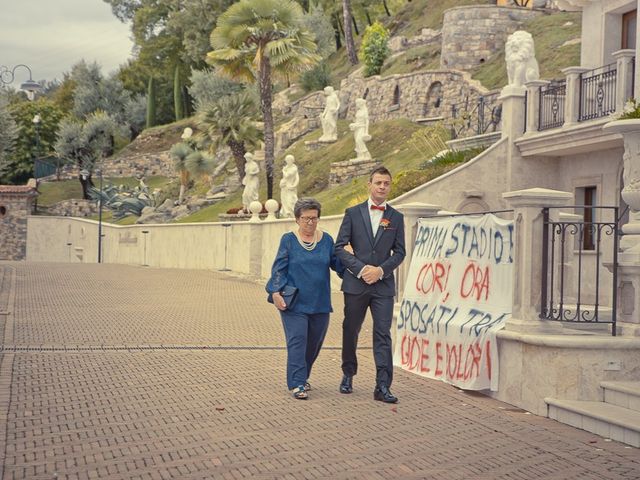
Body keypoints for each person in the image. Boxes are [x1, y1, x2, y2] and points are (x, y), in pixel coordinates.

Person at [334, 166, 405, 403]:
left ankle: (382, 386)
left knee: (382, 333)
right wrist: (362, 269)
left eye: (386, 183)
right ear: (370, 184)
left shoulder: (396, 217)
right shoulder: (352, 213)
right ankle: (348, 373)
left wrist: (381, 270)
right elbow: (340, 247)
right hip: (355, 284)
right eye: (378, 183)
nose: (382, 187)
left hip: (382, 287)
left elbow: (400, 252)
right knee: (351, 329)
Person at [266, 198, 344, 400]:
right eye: (306, 218)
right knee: (298, 342)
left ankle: (302, 376)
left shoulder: (326, 240)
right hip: (294, 303)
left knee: (314, 344)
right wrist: (275, 292)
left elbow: (338, 266)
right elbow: (279, 269)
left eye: (314, 218)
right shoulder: (289, 240)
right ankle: (297, 383)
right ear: (297, 219)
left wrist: (349, 256)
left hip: (320, 302)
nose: (310, 222)